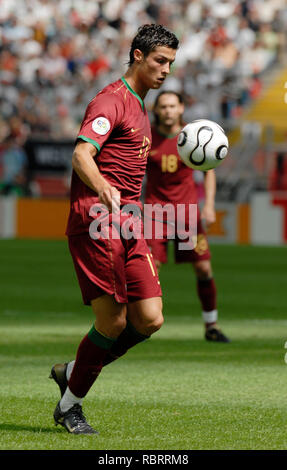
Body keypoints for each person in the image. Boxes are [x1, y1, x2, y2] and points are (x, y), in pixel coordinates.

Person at [49, 24, 179, 435]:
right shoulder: (111, 100)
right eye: (160, 60)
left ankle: (73, 369)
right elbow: (81, 154)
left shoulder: (141, 106)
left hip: (127, 222)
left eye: (171, 63)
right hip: (96, 221)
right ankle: (70, 405)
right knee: (114, 323)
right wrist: (104, 186)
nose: (165, 70)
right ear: (137, 55)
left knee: (150, 318)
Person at [144, 90, 230, 343]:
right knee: (151, 267)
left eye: (173, 106)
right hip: (155, 212)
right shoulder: (147, 137)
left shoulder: (192, 136)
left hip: (186, 215)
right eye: (163, 106)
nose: (168, 111)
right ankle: (142, 324)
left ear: (181, 108)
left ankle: (211, 326)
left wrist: (210, 205)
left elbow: (208, 170)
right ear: (156, 110)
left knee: (203, 268)